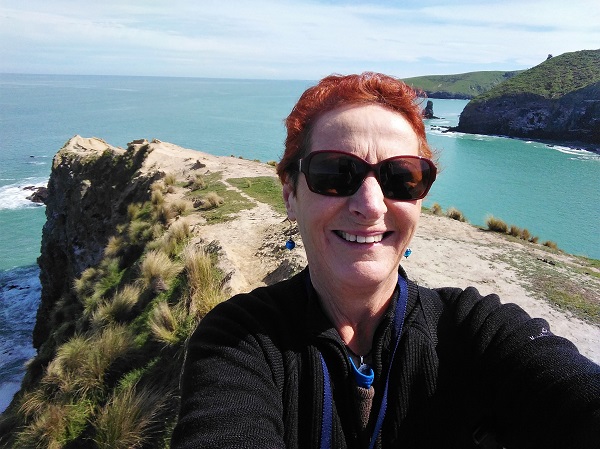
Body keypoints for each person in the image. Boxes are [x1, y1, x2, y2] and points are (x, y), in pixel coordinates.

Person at [171, 73, 600, 449]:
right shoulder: (239, 341)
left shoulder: (474, 328)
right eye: (335, 172)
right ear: (290, 193)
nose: (371, 206)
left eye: (402, 177)